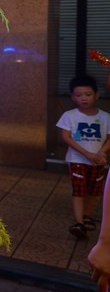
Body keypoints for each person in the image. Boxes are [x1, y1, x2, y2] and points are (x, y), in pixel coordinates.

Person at [57, 75, 110, 239]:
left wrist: (101, 153)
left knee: (95, 191)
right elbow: (66, 138)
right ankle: (79, 222)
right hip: (77, 160)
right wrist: (87, 154)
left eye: (87, 94)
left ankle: (87, 216)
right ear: (73, 97)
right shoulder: (69, 115)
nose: (83, 98)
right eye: (79, 95)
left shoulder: (105, 117)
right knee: (79, 190)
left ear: (96, 95)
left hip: (98, 162)